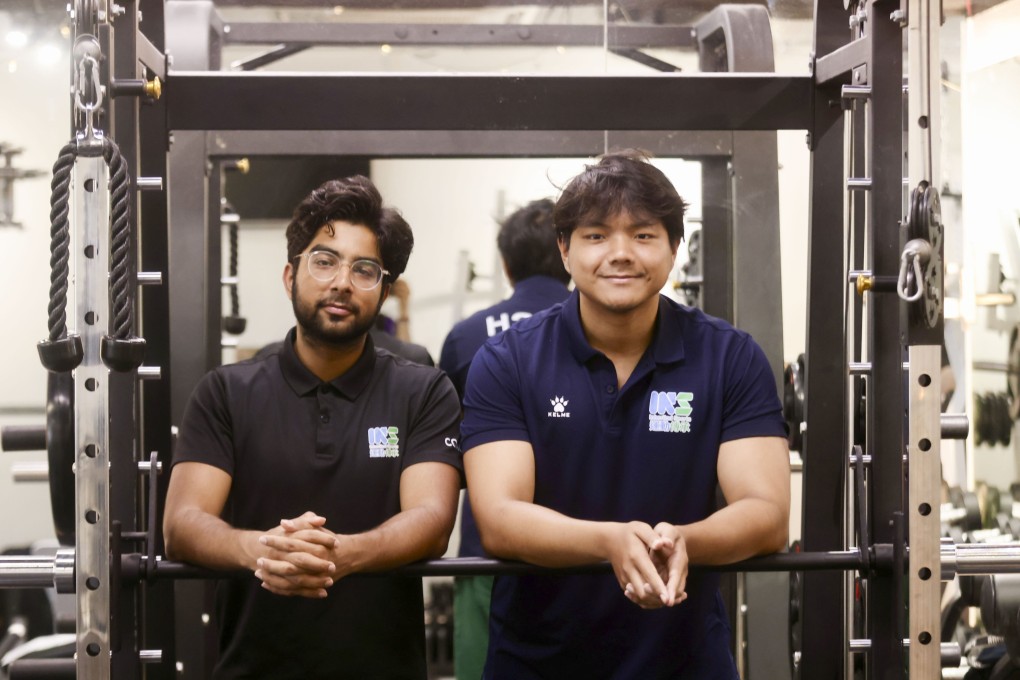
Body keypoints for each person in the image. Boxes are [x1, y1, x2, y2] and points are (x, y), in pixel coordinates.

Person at [460, 150, 790, 678]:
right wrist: (609, 542)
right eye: (596, 235)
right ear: (564, 249)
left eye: (642, 235)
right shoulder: (508, 360)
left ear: (674, 248)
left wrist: (685, 541)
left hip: (685, 663)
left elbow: (767, 513)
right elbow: (499, 518)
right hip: (537, 663)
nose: (620, 253)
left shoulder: (729, 356)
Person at [163, 175, 463, 680]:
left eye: (364, 270)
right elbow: (182, 523)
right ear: (290, 276)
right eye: (325, 261)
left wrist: (342, 555)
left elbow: (433, 520)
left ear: (383, 292)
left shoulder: (424, 391)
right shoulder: (226, 393)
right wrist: (264, 551)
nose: (342, 282)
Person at [437, 198, 571, 680]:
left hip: (487, 554)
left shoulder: (467, 336)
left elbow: (447, 446)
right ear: (569, 252)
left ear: (506, 265)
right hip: (594, 550)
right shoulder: (603, 329)